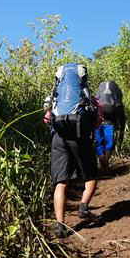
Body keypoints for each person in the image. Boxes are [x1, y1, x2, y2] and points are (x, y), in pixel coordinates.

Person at [44, 63, 99, 238]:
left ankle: (60, 225)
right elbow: (97, 121)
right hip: (80, 137)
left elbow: (46, 119)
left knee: (61, 182)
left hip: (58, 137)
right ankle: (83, 206)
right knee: (90, 176)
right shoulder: (89, 96)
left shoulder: (55, 95)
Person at [94, 80, 126, 170]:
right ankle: (105, 163)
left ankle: (102, 163)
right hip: (110, 122)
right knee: (109, 142)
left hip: (98, 122)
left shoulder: (98, 98)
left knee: (99, 141)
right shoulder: (116, 100)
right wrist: (121, 134)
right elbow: (122, 118)